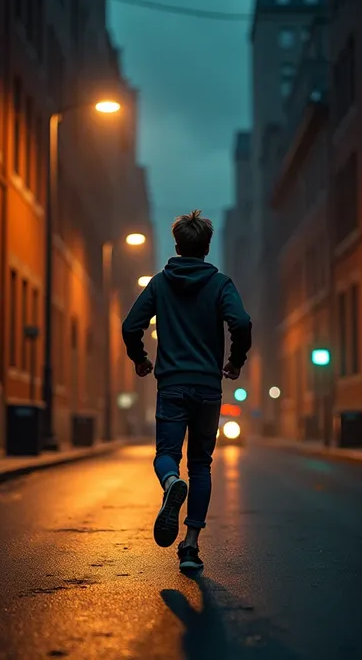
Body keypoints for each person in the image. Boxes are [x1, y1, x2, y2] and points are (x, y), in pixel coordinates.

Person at [122, 210, 251, 571]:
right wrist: (235, 360)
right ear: (207, 247)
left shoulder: (160, 284)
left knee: (166, 454)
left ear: (177, 245)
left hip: (173, 385)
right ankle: (191, 547)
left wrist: (140, 359)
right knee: (202, 465)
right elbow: (240, 322)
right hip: (208, 387)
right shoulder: (221, 284)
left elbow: (131, 325)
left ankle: (170, 483)